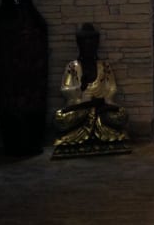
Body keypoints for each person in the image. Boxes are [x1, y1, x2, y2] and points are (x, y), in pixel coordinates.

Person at [53, 23, 130, 156]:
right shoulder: (73, 67)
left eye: (92, 43)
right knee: (59, 118)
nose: (88, 46)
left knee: (122, 115)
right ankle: (98, 129)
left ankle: (85, 131)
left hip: (101, 108)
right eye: (85, 43)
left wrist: (104, 100)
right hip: (80, 108)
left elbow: (112, 88)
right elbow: (65, 90)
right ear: (79, 45)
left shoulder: (104, 66)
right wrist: (80, 88)